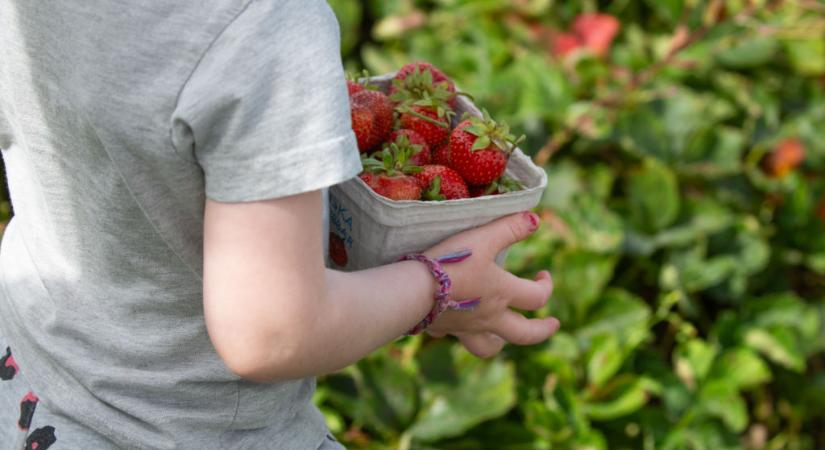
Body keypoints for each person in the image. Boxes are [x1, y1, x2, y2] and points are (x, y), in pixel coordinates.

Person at [0, 0, 560, 448]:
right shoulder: (263, 27)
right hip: (191, 430)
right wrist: (440, 285)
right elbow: (273, 333)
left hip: (32, 378)